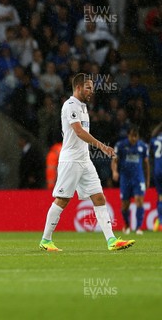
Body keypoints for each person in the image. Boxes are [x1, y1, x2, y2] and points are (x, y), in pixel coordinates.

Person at [39, 73, 135, 251]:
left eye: (92, 87)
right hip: (71, 160)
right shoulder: (70, 106)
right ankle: (46, 239)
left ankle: (111, 240)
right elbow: (79, 132)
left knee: (99, 197)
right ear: (78, 88)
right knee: (63, 199)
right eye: (88, 87)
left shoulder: (83, 107)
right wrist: (102, 146)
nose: (92, 91)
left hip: (84, 159)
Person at [112, 126, 149, 235]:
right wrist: (114, 171)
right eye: (132, 136)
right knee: (125, 204)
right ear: (128, 135)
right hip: (125, 178)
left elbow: (146, 164)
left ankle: (138, 228)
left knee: (139, 200)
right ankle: (127, 225)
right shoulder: (121, 145)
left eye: (136, 136)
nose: (134, 139)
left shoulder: (143, 146)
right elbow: (114, 161)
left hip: (138, 177)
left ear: (138, 137)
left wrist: (147, 180)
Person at [151, 123, 162, 231]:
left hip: (157, 171)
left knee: (160, 196)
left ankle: (160, 220)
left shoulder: (156, 139)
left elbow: (152, 135)